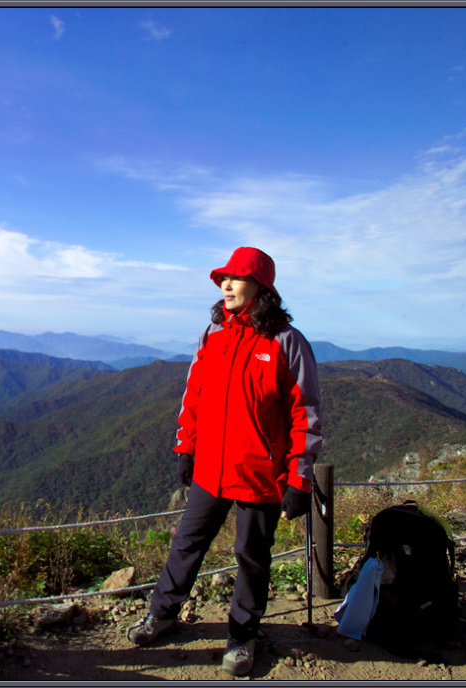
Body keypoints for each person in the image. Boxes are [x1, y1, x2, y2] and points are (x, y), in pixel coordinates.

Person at [127, 246, 323, 676]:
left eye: (237, 278)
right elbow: (193, 396)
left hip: (260, 475)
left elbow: (304, 416)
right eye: (224, 278)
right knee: (186, 544)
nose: (226, 285)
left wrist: (299, 481)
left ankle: (243, 636)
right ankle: (161, 615)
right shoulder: (212, 335)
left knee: (251, 556)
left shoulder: (286, 342)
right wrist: (186, 446)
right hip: (210, 468)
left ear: (262, 287)